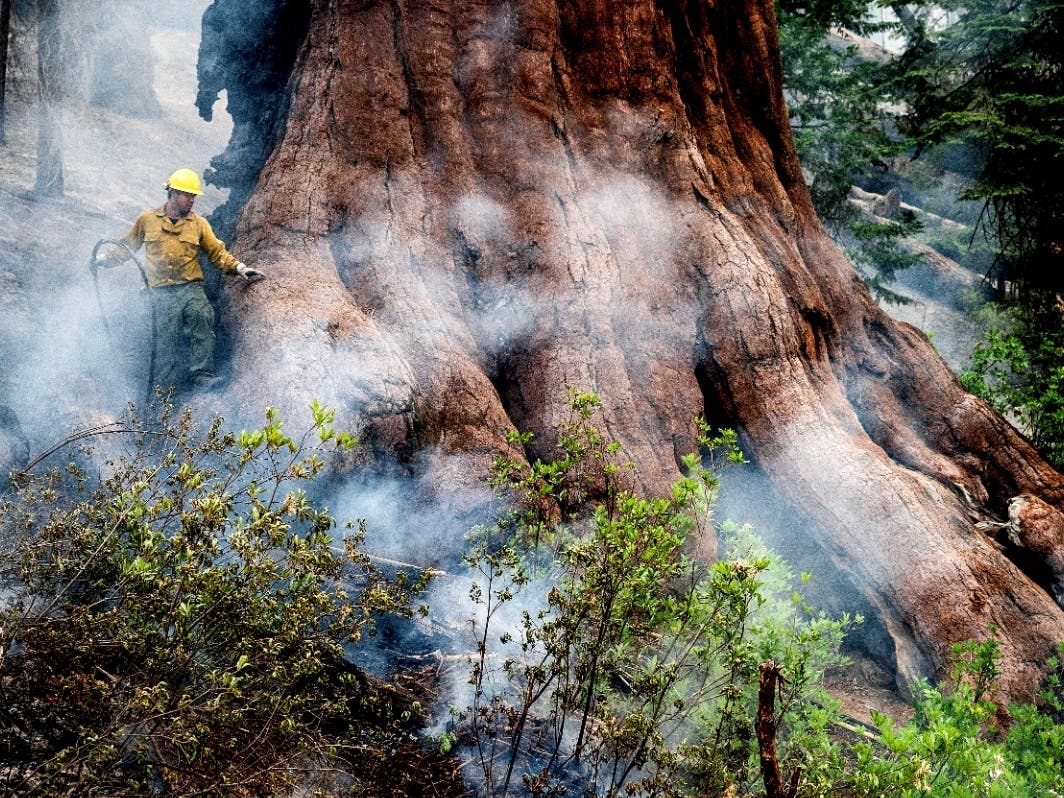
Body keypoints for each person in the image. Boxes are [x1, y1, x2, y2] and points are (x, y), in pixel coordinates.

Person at [97, 168, 265, 392]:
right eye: (187, 195)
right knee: (165, 342)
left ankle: (202, 374)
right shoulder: (147, 220)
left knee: (201, 315)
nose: (191, 200)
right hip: (158, 291)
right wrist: (103, 260)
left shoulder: (199, 224)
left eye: (193, 196)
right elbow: (126, 248)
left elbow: (217, 252)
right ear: (173, 193)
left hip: (189, 288)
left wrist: (239, 268)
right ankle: (163, 396)